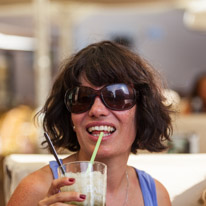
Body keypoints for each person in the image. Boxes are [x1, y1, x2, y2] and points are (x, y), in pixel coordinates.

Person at [7, 40, 173, 206]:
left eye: (116, 96)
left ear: (142, 111)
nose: (97, 110)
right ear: (70, 116)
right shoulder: (36, 190)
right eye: (82, 98)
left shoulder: (157, 196)